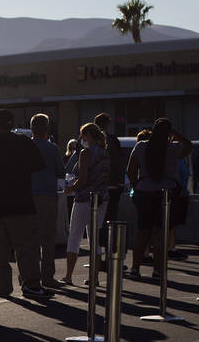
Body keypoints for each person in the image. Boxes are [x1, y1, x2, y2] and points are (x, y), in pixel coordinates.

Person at [0, 109, 48, 299]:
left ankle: (4, 288)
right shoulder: (24, 143)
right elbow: (39, 166)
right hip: (22, 205)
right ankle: (31, 284)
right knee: (26, 248)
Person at [126, 118, 193, 278]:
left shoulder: (141, 146)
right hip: (166, 194)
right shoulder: (172, 148)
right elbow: (189, 146)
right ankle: (157, 270)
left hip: (144, 192)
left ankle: (135, 268)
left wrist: (137, 187)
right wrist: (174, 132)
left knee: (142, 231)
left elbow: (131, 170)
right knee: (160, 233)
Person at [62, 123, 109, 286]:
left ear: (88, 135)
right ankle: (94, 277)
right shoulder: (105, 153)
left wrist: (70, 188)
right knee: (95, 238)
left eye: (83, 135)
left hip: (84, 198)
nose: (81, 139)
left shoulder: (85, 153)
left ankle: (68, 275)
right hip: (102, 198)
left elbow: (82, 179)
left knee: (74, 236)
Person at [29, 114, 67, 287]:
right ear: (47, 129)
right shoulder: (52, 149)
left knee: (30, 239)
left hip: (28, 197)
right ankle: (47, 277)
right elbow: (61, 171)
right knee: (48, 239)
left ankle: (29, 276)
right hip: (47, 196)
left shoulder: (26, 147)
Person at [93, 113, 124, 262]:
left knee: (97, 223)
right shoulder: (112, 140)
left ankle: (98, 257)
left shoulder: (90, 141)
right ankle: (109, 256)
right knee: (110, 221)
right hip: (111, 187)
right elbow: (118, 163)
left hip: (96, 188)